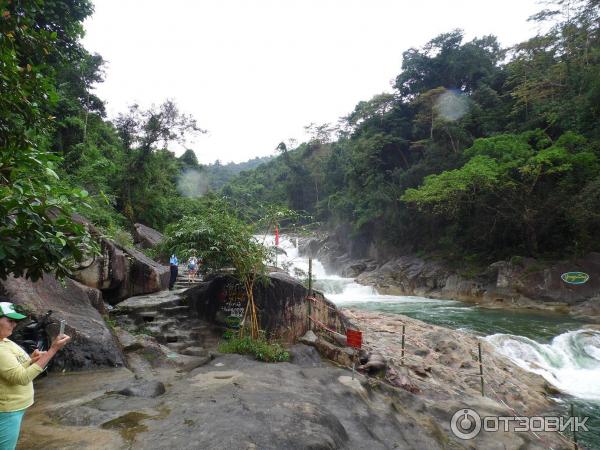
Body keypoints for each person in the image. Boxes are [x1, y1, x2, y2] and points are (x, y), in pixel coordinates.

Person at [0, 299, 70, 450]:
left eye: (15, 321)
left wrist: (31, 361)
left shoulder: (5, 341)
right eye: (10, 320)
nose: (14, 324)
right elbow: (22, 378)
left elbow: (14, 370)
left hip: (13, 409)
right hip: (6, 411)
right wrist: (53, 350)